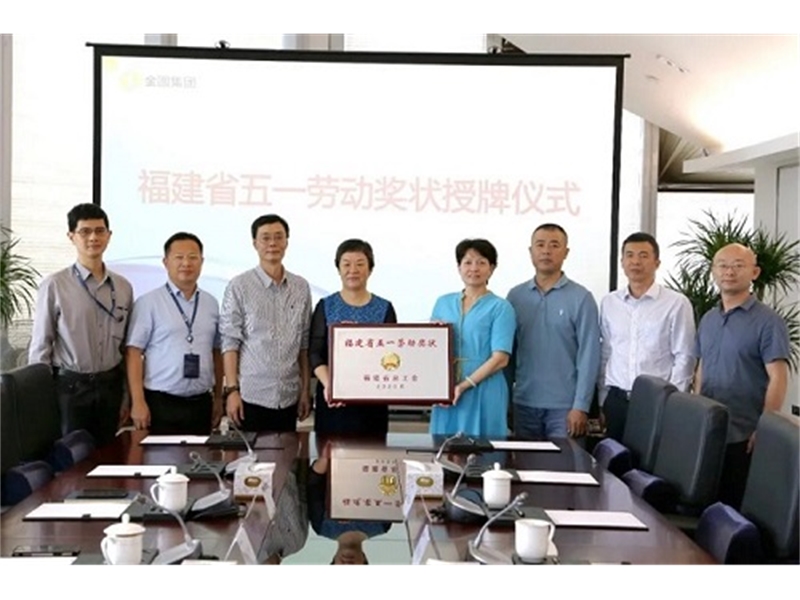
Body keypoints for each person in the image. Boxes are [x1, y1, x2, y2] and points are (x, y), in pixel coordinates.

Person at [28, 203, 133, 446]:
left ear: (109, 235)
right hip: (70, 389)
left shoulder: (124, 287)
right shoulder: (55, 285)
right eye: (85, 231)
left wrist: (126, 395)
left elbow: (126, 348)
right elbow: (41, 345)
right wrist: (40, 399)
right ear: (71, 236)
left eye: (99, 231)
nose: (93, 237)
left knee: (110, 456)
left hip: (110, 387)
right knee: (72, 458)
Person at [695, 243, 790, 510]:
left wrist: (765, 427)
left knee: (733, 513)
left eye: (738, 265)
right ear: (713, 271)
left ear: (754, 272)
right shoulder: (709, 319)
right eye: (723, 265)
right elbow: (701, 368)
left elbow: (778, 377)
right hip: (709, 430)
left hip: (743, 434)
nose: (729, 272)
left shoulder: (768, 322)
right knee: (703, 508)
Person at [506, 223, 600, 440]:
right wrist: (506, 401)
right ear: (531, 251)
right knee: (525, 462)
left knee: (566, 462)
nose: (546, 251)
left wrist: (581, 406)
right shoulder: (515, 297)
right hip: (523, 404)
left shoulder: (581, 298)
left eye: (554, 245)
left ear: (566, 252)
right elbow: (507, 355)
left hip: (566, 408)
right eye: (540, 245)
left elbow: (589, 356)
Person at [598, 232, 696, 441]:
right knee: (614, 456)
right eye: (630, 255)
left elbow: (684, 356)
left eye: (643, 255)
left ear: (657, 263)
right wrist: (603, 399)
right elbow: (606, 351)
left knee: (651, 460)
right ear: (622, 262)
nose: (636, 262)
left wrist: (674, 403)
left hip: (657, 400)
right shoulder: (609, 303)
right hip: (617, 399)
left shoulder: (676, 303)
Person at [220, 214, 312, 432]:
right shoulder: (239, 286)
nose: (273, 243)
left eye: (279, 237)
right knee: (251, 454)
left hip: (289, 396)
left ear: (287, 242)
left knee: (286, 453)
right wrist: (232, 391)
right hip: (251, 397)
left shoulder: (301, 287)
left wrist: (305, 390)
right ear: (255, 243)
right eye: (266, 238)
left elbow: (304, 344)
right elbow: (230, 342)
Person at [125, 232, 223, 435]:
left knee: (199, 455)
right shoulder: (148, 303)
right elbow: (133, 353)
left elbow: (217, 352)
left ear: (202, 262)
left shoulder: (211, 303)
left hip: (201, 403)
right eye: (179, 257)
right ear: (166, 262)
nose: (186, 263)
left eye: (193, 257)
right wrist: (138, 401)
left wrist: (219, 397)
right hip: (160, 403)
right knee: (160, 455)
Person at [309, 239, 397, 436]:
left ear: (370, 269)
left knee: (372, 453)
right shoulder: (326, 306)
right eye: (346, 264)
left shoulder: (385, 308)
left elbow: (391, 355)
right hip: (333, 397)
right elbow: (315, 353)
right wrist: (329, 384)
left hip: (373, 399)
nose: (353, 270)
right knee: (330, 452)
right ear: (338, 269)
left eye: (360, 264)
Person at [429, 239, 515, 438]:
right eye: (467, 262)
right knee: (443, 446)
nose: (474, 268)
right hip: (447, 388)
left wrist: (464, 385)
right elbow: (431, 349)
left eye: (481, 262)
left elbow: (500, 359)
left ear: (492, 268)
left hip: (485, 387)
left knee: (483, 448)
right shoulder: (443, 303)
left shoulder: (501, 307)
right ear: (459, 267)